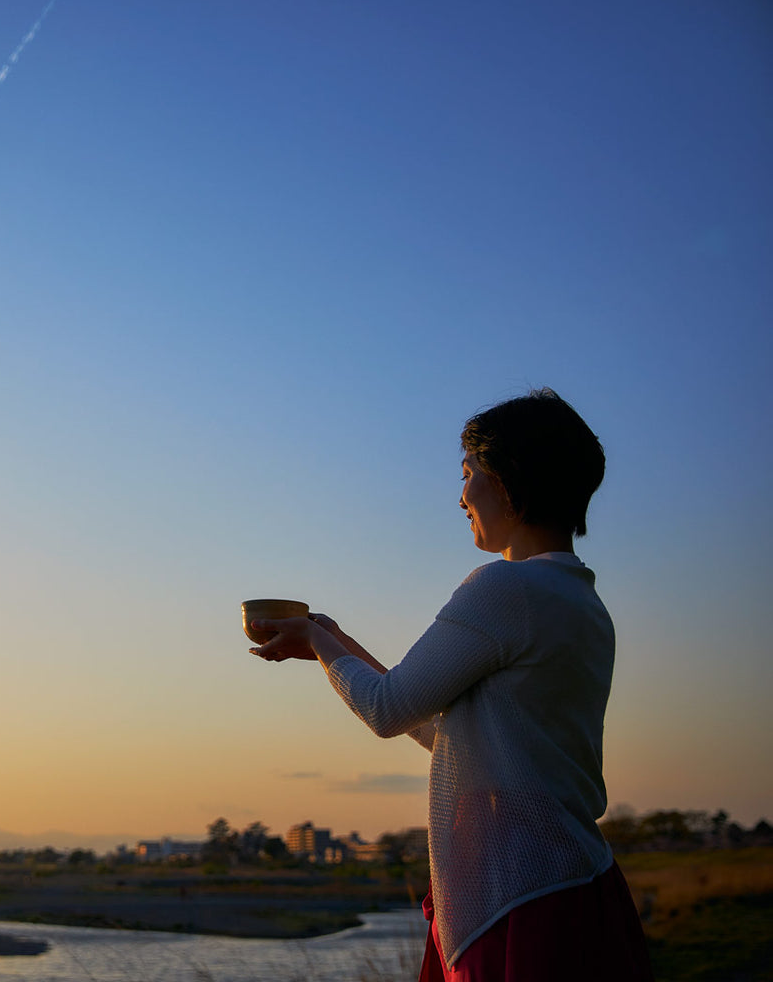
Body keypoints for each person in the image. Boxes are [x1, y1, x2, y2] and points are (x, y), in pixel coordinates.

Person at [249, 388, 652, 981]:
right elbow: (447, 729)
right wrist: (337, 644)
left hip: (515, 892)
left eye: (469, 474)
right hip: (574, 883)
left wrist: (316, 639)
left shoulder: (504, 589)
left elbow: (387, 711)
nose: (460, 496)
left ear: (511, 478)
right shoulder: (583, 603)